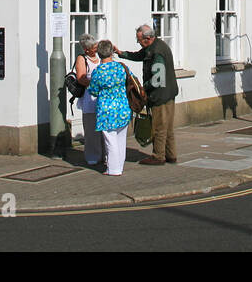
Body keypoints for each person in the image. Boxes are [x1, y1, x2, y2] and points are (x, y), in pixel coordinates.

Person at [119, 24, 178, 165]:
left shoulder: (157, 51)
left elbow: (158, 78)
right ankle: (171, 155)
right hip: (168, 92)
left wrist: (143, 88)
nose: (138, 42)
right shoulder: (154, 46)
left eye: (139, 40)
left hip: (160, 95)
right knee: (167, 127)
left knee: (159, 127)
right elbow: (140, 55)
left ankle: (158, 156)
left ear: (148, 38)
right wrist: (121, 53)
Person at [86, 39, 131, 176]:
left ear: (99, 54)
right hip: (123, 107)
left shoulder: (99, 71)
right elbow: (130, 81)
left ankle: (114, 169)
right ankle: (119, 166)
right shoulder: (122, 67)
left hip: (106, 110)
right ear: (112, 52)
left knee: (110, 140)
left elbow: (93, 90)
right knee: (120, 139)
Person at [74, 33, 102, 166]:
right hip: (90, 98)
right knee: (91, 130)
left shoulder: (101, 57)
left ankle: (104, 154)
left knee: (103, 128)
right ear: (86, 49)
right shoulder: (82, 59)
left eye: (96, 46)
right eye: (93, 47)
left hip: (103, 99)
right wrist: (96, 82)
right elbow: (81, 78)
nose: (96, 49)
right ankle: (92, 155)